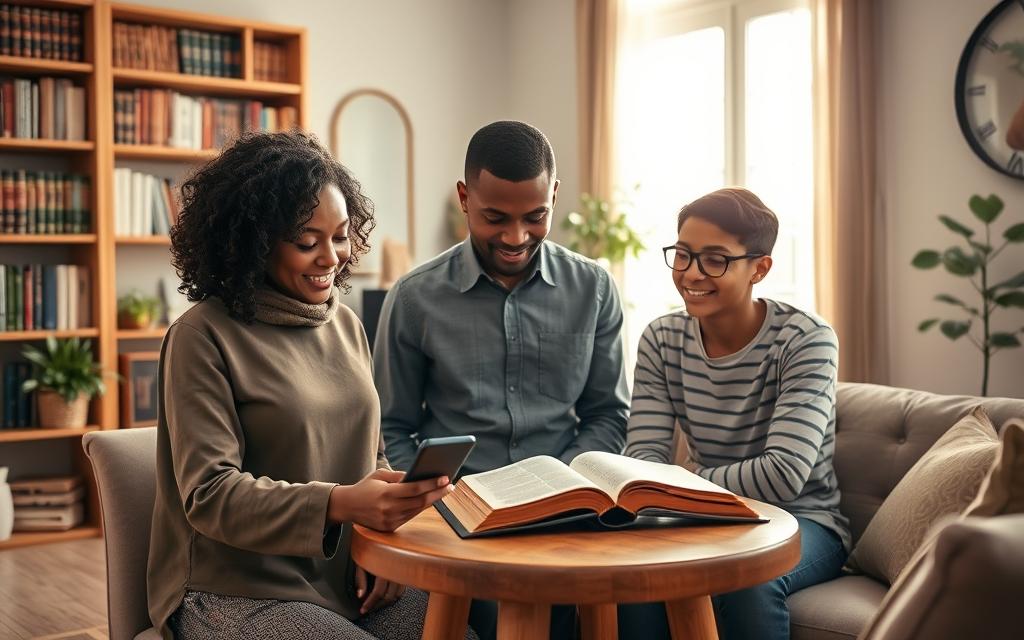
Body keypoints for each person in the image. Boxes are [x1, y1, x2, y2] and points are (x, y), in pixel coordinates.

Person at [148, 131, 474, 640]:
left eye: (341, 235)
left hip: (347, 576)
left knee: (455, 631)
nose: (331, 257)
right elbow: (209, 494)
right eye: (306, 241)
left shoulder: (344, 324)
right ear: (252, 242)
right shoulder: (201, 336)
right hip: (232, 590)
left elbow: (375, 456)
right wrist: (341, 504)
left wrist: (384, 537)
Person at [373, 120, 630, 639]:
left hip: (567, 511)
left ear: (555, 195)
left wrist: (558, 488)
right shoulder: (414, 297)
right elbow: (390, 428)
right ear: (465, 198)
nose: (516, 238)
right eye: (496, 218)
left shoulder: (595, 288)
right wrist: (435, 501)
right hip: (454, 516)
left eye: (536, 217)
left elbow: (607, 414)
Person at [618, 188, 850, 640]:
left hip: (803, 519)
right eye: (682, 255)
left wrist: (681, 481)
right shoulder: (662, 339)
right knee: (635, 571)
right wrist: (669, 488)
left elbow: (783, 476)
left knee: (748, 578)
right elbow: (642, 455)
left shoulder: (806, 340)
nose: (690, 273)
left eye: (715, 260)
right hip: (700, 517)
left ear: (759, 268)